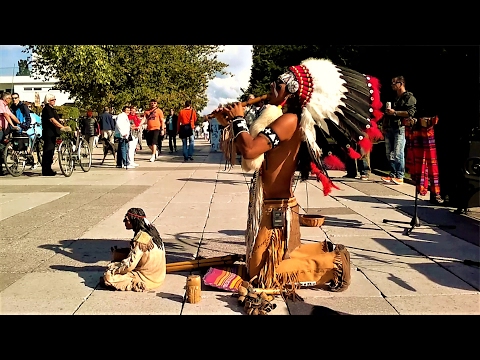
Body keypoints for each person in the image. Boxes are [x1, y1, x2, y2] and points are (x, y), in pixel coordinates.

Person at [212, 58, 384, 302]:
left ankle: (331, 265)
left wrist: (239, 118)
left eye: (278, 84)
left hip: (278, 209)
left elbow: (251, 150)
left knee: (261, 275)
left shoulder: (289, 120)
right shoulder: (281, 117)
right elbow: (244, 149)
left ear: (291, 91)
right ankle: (321, 251)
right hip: (274, 206)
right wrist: (230, 121)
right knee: (264, 265)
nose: (272, 87)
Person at [102, 208, 167, 292]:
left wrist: (115, 270)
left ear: (134, 221)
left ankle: (137, 284)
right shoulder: (153, 232)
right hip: (159, 276)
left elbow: (129, 265)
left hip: (147, 279)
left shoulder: (141, 239)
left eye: (126, 220)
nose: (123, 221)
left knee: (109, 277)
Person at [381, 76, 417, 185]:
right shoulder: (395, 97)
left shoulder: (409, 97)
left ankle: (400, 175)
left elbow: (410, 112)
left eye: (394, 83)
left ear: (400, 84)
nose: (392, 85)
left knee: (398, 152)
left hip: (400, 127)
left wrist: (395, 113)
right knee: (389, 153)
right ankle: (393, 174)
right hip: (390, 127)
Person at [41, 93, 69, 176]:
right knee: (48, 152)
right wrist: (62, 127)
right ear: (48, 101)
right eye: (52, 100)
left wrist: (61, 121)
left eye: (54, 99)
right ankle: (46, 170)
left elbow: (55, 119)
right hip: (49, 133)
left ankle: (48, 169)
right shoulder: (47, 109)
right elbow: (52, 120)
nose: (54, 101)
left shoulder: (52, 109)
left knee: (51, 151)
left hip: (53, 133)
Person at [0, 92, 21, 175]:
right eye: (10, 98)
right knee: (1, 147)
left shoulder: (5, 106)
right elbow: (5, 115)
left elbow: (11, 115)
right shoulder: (0, 103)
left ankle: (0, 169)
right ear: (6, 99)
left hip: (3, 130)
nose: (11, 100)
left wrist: (20, 123)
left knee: (2, 149)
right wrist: (13, 125)